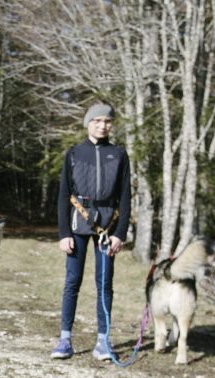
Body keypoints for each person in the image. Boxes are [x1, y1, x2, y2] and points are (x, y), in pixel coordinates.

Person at [50, 101, 131, 361]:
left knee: (104, 284)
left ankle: (103, 342)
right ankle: (65, 340)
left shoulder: (119, 155)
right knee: (72, 282)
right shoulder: (74, 153)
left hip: (108, 226)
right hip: (78, 226)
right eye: (97, 120)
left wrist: (120, 232)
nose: (102, 125)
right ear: (88, 123)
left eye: (107, 121)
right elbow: (64, 195)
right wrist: (63, 234)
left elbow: (126, 197)